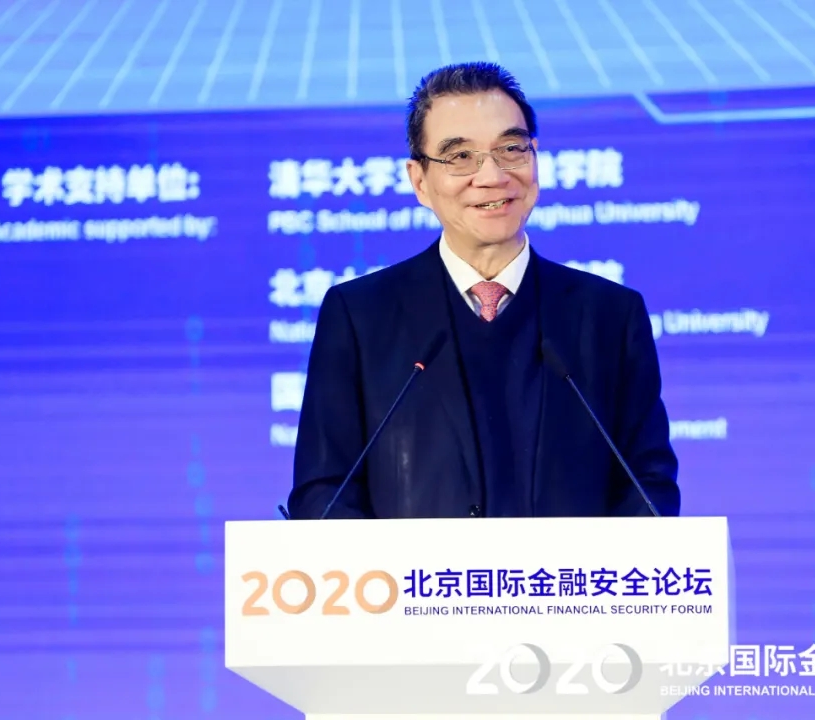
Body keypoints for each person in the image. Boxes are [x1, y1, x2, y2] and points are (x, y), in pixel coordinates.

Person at [287, 62, 679, 519]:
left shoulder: (610, 315)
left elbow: (647, 487)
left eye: (511, 149)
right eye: (460, 156)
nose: (492, 175)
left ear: (535, 158)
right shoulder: (359, 316)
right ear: (419, 181)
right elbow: (323, 493)